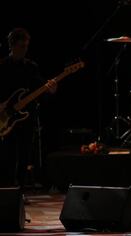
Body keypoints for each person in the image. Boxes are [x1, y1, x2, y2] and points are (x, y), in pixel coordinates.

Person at [0, 28, 57, 187]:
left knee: (25, 153)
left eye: (26, 46)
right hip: (6, 117)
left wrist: (49, 89)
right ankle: (7, 188)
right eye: (21, 46)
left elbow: (39, 88)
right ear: (11, 45)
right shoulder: (2, 66)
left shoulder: (31, 67)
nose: (24, 50)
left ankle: (21, 189)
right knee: (8, 154)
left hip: (26, 115)